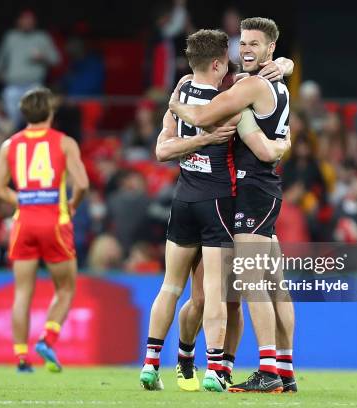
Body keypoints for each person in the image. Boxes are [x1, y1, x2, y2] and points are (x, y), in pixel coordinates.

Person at [142, 29, 292, 393]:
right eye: (236, 48)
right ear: (217, 62)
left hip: (183, 200)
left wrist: (176, 111)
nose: (240, 55)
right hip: (222, 202)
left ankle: (153, 363)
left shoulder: (181, 90)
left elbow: (162, 151)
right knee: (228, 291)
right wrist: (283, 142)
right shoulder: (232, 100)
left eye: (251, 45)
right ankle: (220, 368)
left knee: (173, 287)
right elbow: (265, 150)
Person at [0, 87, 89, 372]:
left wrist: (20, 198)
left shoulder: (9, 145)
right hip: (54, 223)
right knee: (66, 288)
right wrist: (72, 204)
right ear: (51, 112)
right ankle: (48, 337)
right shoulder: (64, 143)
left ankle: (21, 358)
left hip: (23, 223)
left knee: (22, 292)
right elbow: (81, 183)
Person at [0, 10, 60, 127]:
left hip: (34, 85)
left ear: (35, 22)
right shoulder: (11, 37)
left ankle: (34, 143)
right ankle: (15, 143)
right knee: (12, 121)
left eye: (30, 20)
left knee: (36, 119)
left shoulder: (42, 37)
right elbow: (0, 58)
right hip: (13, 85)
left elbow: (56, 59)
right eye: (25, 19)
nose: (27, 22)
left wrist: (43, 57)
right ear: (19, 21)